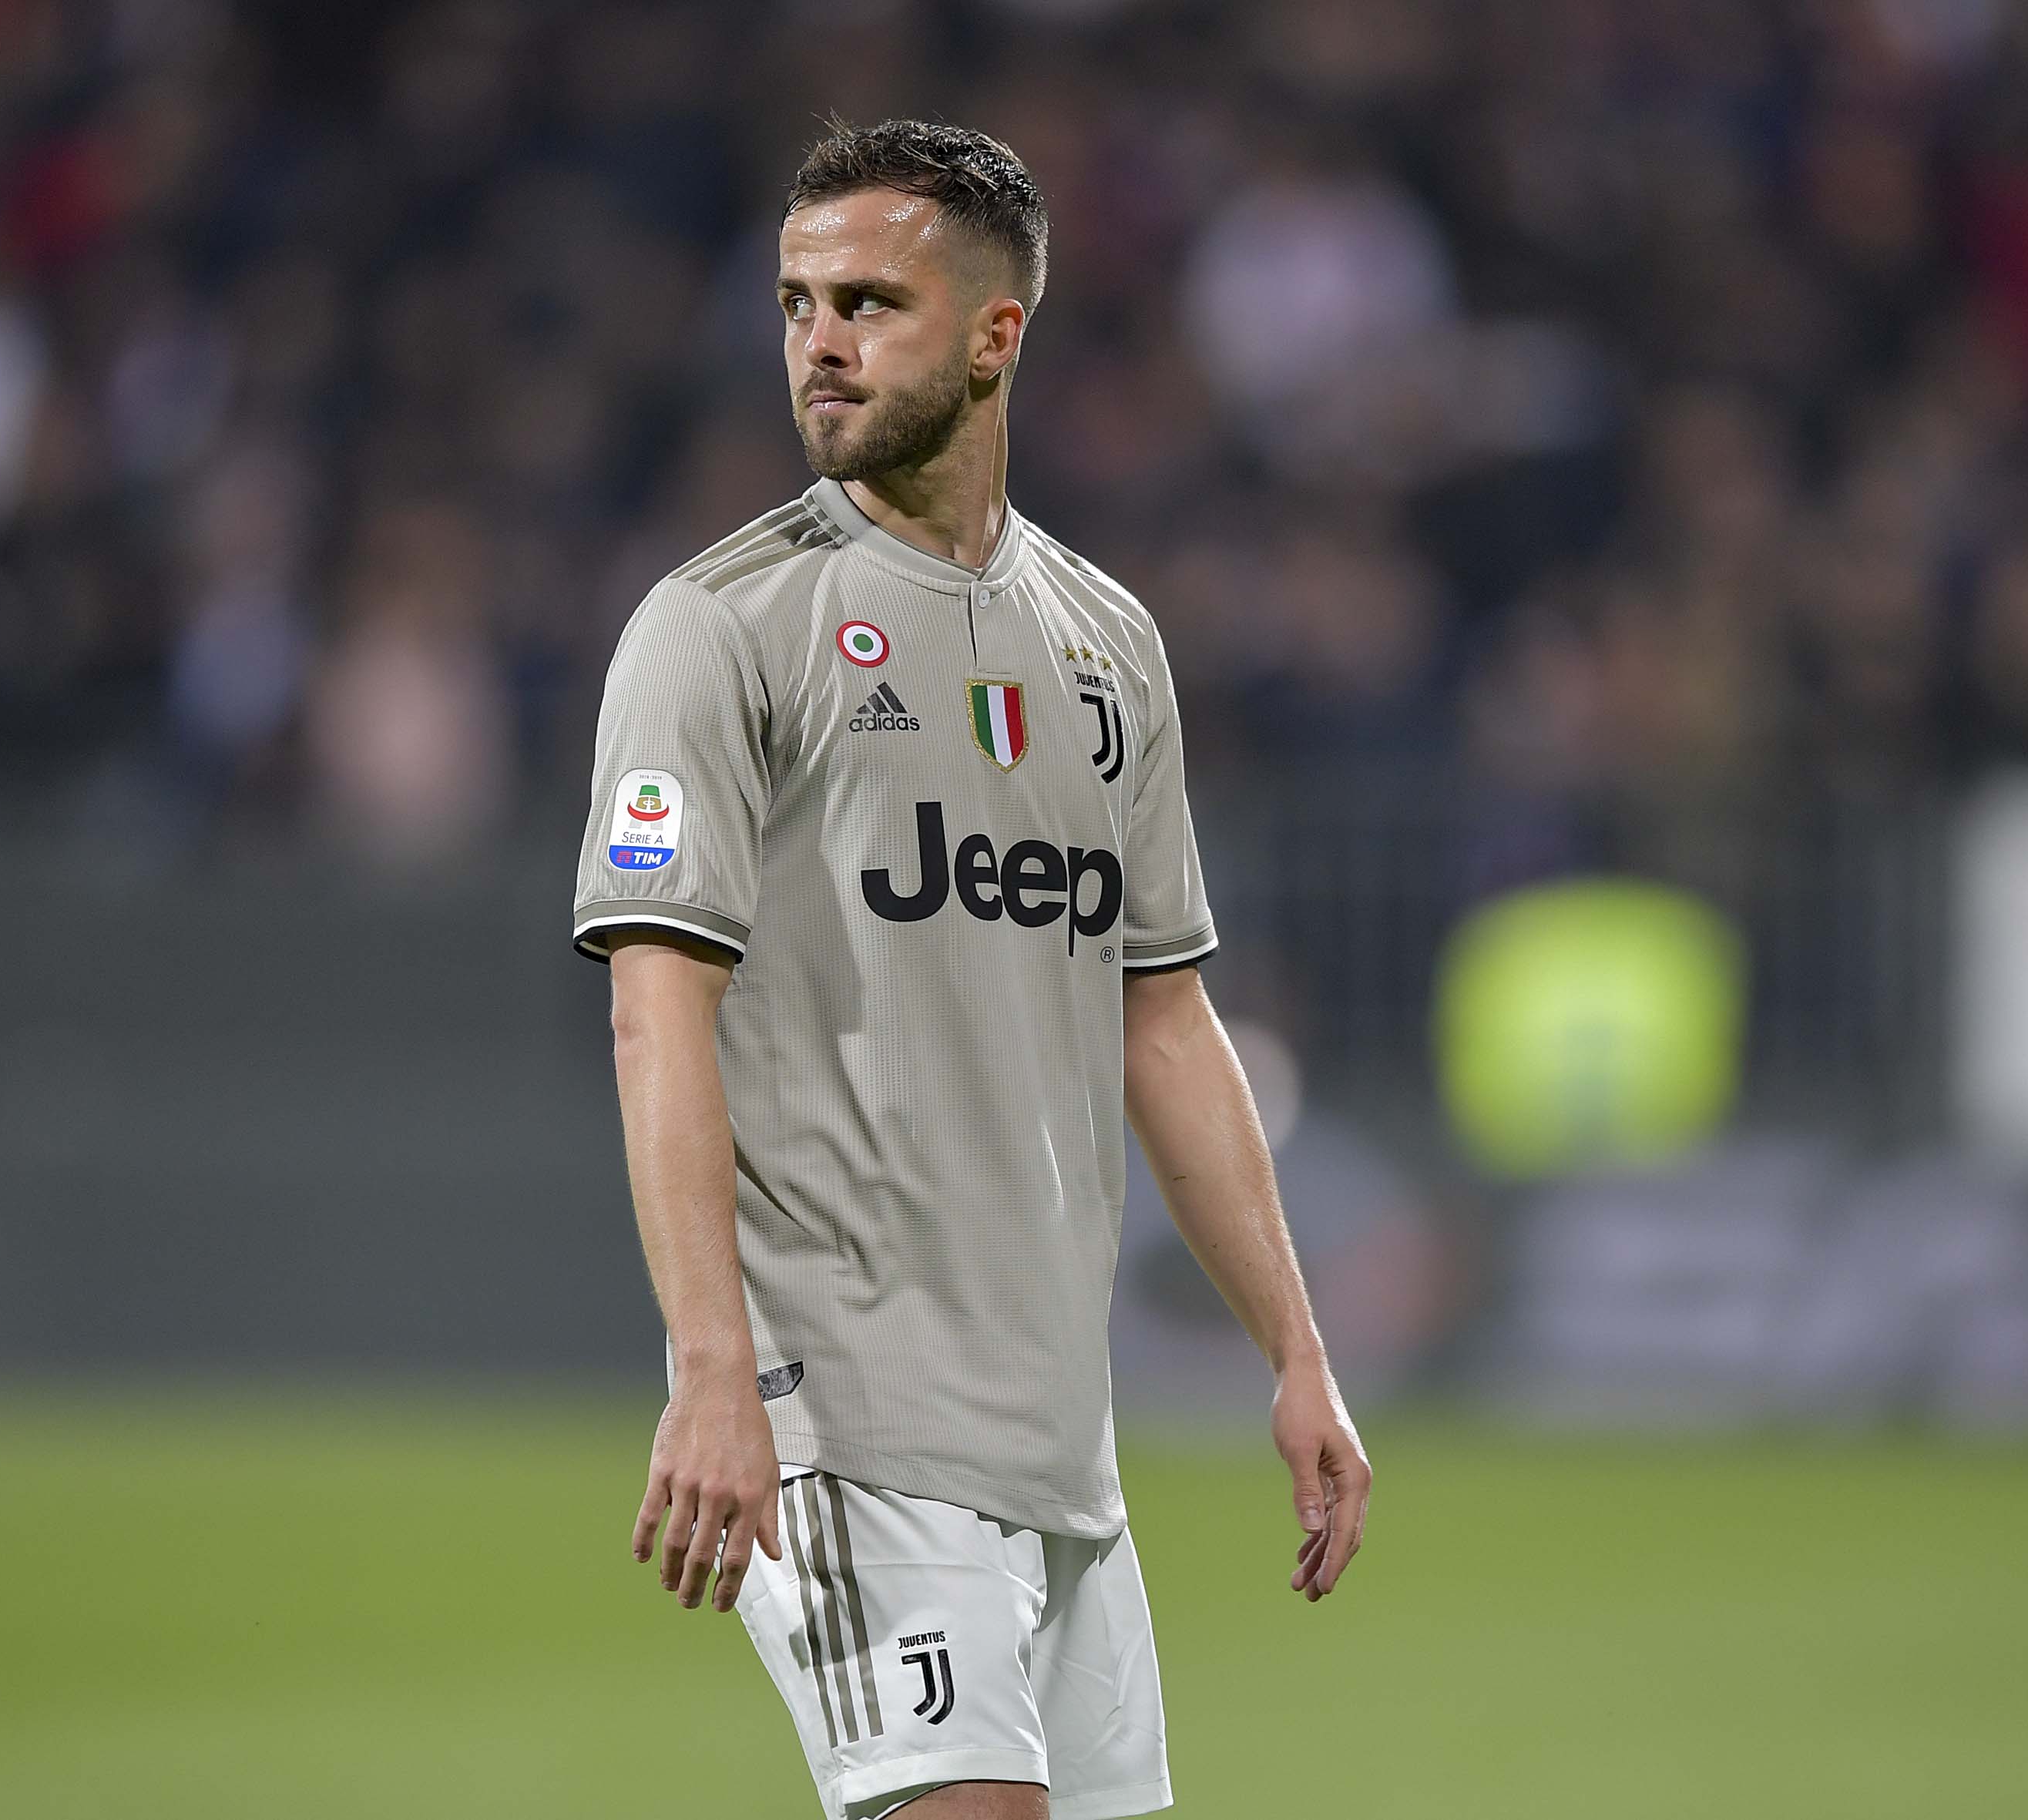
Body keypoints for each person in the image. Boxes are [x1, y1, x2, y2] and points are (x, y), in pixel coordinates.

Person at [571, 120, 1372, 1820]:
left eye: (869, 300)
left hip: (1057, 1442)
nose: (820, 339)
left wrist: (1292, 1349)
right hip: (839, 1414)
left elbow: (1161, 1018)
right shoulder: (717, 632)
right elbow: (655, 1011)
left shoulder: (1104, 643)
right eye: (797, 302)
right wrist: (714, 1364)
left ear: (995, 335)